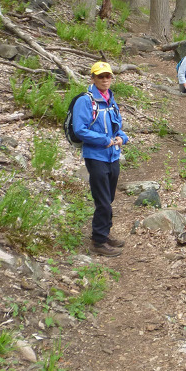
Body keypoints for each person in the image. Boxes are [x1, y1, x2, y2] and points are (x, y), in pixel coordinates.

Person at [73, 61, 129, 257]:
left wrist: (123, 137)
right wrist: (104, 140)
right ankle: (98, 241)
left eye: (108, 76)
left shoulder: (110, 100)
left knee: (109, 197)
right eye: (100, 76)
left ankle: (104, 233)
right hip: (95, 156)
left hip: (113, 155)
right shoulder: (85, 101)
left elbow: (117, 126)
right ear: (93, 78)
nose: (105, 80)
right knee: (103, 200)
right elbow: (79, 129)